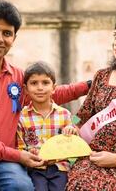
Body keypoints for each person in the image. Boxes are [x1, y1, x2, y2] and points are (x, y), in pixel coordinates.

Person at [0, 0, 90, 191]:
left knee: (21, 187)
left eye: (7, 33)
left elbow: (47, 94)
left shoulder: (17, 76)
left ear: (13, 39)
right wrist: (16, 155)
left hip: (1, 161)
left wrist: (89, 85)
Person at [66, 10, 116, 190]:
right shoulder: (102, 76)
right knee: (82, 184)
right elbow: (83, 114)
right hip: (94, 158)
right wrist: (72, 125)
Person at [16, 61, 78, 191]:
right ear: (26, 89)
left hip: (59, 167)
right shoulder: (22, 117)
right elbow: (20, 146)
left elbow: (72, 144)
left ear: (54, 88)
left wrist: (71, 131)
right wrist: (28, 152)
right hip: (35, 168)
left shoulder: (64, 114)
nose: (40, 88)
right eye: (34, 83)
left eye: (45, 83)